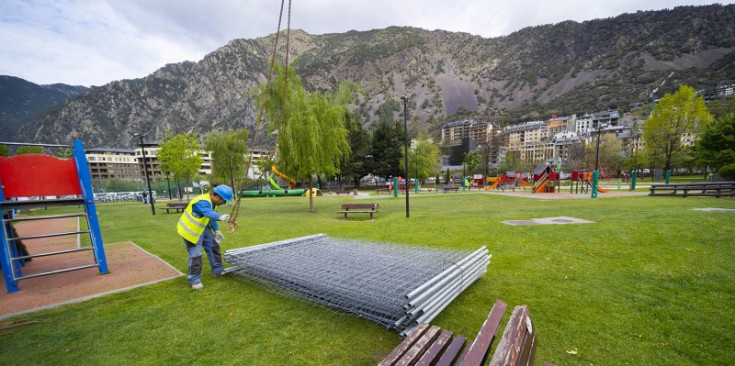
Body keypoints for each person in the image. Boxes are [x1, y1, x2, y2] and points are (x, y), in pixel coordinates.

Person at [176, 184, 234, 290]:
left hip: (202, 228)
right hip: (190, 231)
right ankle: (195, 280)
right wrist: (220, 217)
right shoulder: (202, 201)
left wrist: (217, 230)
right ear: (217, 197)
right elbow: (208, 213)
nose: (225, 203)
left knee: (213, 246)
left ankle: (218, 270)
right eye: (224, 200)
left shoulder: (214, 203)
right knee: (196, 254)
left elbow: (211, 218)